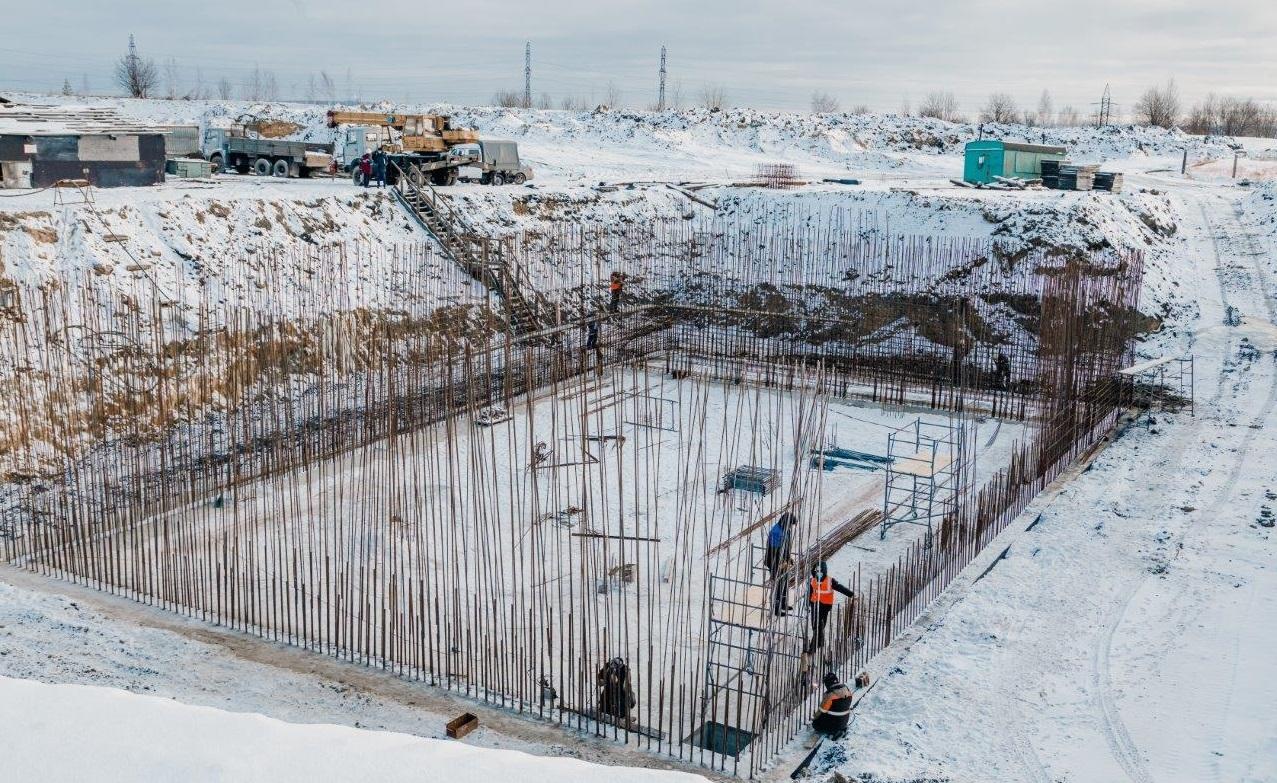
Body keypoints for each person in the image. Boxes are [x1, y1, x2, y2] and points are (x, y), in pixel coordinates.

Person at [806, 561, 853, 653]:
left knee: (819, 625)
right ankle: (820, 642)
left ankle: (813, 646)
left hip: (824, 606)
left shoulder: (830, 581)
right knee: (815, 625)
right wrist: (808, 604)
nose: (818, 574)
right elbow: (810, 593)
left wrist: (851, 594)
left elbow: (840, 588)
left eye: (820, 572)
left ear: (824, 571)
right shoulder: (812, 580)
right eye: (816, 572)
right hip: (814, 604)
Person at [765, 512, 795, 614]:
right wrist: (780, 563)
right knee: (778, 584)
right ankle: (776, 609)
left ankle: (783, 604)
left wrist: (788, 558)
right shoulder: (776, 532)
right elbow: (774, 551)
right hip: (774, 562)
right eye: (790, 524)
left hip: (783, 561)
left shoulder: (786, 530)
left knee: (785, 582)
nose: (791, 527)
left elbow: (785, 547)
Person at [812, 672, 853, 738]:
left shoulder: (830, 695)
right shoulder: (847, 691)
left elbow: (822, 710)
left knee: (815, 724)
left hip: (833, 724)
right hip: (844, 721)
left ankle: (833, 731)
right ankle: (840, 728)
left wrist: (814, 718)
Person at [597, 657, 636, 723]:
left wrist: (632, 698)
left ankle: (623, 716)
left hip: (620, 693)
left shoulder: (625, 669)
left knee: (621, 706)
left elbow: (628, 685)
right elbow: (599, 682)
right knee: (605, 707)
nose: (614, 668)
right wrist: (606, 681)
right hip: (607, 693)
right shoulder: (607, 667)